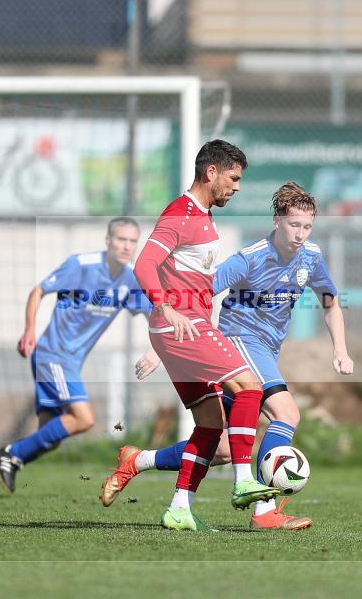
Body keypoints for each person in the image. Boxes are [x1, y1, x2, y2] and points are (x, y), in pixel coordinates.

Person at [101, 182, 354, 530]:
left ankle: (138, 460)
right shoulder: (248, 259)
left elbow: (330, 300)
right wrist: (166, 342)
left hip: (266, 348)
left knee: (220, 447)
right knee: (286, 412)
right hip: (238, 340)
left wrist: (339, 349)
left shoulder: (311, 257)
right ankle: (264, 511)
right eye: (294, 225)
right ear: (277, 220)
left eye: (307, 226)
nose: (300, 233)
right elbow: (199, 294)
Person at [131, 140, 280, 532]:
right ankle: (245, 479)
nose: (238, 186)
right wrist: (165, 307)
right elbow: (144, 266)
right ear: (210, 172)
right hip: (185, 327)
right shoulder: (180, 215)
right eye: (233, 178)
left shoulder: (203, 216)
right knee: (249, 388)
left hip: (180, 331)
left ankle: (180, 507)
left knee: (212, 424)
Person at [0, 217, 157, 496]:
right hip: (53, 355)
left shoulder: (130, 279)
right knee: (84, 419)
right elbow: (38, 291)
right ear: (108, 240)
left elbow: (156, 316)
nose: (127, 246)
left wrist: (156, 350)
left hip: (69, 363)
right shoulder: (80, 265)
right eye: (121, 239)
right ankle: (10, 455)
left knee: (49, 438)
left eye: (132, 241)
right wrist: (29, 331)